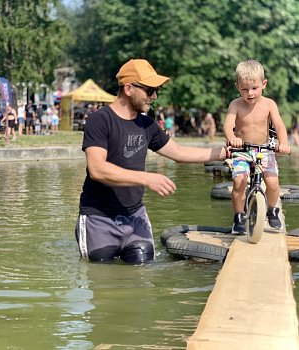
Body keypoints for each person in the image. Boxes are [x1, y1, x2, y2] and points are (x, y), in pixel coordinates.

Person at [74, 58, 229, 264]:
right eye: (149, 90)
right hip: (98, 218)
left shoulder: (147, 124)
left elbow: (179, 153)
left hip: (135, 217)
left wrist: (227, 153)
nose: (154, 96)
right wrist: (146, 179)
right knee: (103, 278)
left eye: (156, 91)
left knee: (143, 274)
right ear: (128, 88)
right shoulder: (99, 120)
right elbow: (97, 169)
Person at [223, 60, 291, 234]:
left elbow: (279, 125)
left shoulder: (269, 104)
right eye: (244, 89)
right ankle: (238, 215)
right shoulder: (235, 104)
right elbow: (228, 125)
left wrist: (283, 143)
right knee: (239, 181)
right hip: (242, 150)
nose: (250, 93)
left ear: (263, 84)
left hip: (264, 150)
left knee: (273, 182)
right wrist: (232, 138)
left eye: (254, 88)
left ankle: (272, 210)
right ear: (237, 86)